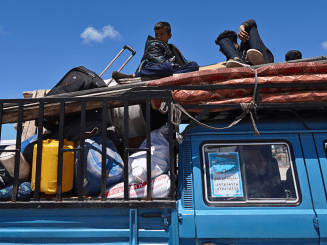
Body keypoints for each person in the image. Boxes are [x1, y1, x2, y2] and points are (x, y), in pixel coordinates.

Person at [112, 21, 199, 81]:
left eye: (162, 34)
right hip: (153, 66)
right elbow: (159, 60)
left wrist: (190, 64)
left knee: (194, 65)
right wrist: (174, 66)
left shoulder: (171, 47)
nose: (159, 37)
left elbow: (183, 60)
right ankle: (134, 76)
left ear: (169, 36)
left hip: (169, 70)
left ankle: (170, 75)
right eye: (157, 34)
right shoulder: (153, 44)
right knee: (166, 67)